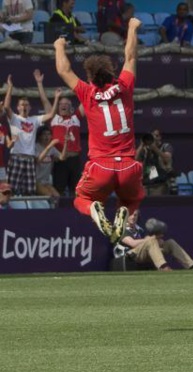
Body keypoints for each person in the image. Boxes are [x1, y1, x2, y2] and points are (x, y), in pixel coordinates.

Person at [54, 18, 144, 244]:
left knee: (81, 198)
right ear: (111, 72)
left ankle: (94, 208)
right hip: (129, 166)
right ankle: (121, 215)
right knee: (131, 200)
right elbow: (131, 56)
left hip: (101, 166)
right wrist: (132, 27)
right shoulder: (124, 86)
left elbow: (64, 70)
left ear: (91, 77)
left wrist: (59, 46)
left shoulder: (87, 93)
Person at [3, 76, 59, 196]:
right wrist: (10, 88)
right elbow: (6, 107)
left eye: (27, 105)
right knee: (11, 189)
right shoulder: (14, 118)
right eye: (22, 105)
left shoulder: (34, 119)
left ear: (30, 107)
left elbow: (51, 114)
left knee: (30, 191)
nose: (24, 107)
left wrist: (57, 98)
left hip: (29, 159)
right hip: (16, 158)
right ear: (18, 107)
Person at [35, 69, 84, 196]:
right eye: (61, 103)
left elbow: (86, 101)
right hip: (59, 160)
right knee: (59, 192)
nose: (63, 105)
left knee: (77, 192)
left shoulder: (76, 117)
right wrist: (39, 83)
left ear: (71, 107)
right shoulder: (54, 118)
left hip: (74, 160)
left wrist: (92, 83)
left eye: (66, 104)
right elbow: (44, 100)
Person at [117, 210, 193, 271]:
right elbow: (132, 243)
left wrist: (158, 241)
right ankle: (163, 267)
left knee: (170, 242)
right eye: (131, 215)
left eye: (135, 215)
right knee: (151, 240)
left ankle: (192, 266)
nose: (133, 217)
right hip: (130, 255)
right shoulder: (121, 229)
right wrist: (151, 239)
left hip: (143, 253)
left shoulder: (139, 230)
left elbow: (148, 243)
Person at [35, 126, 67, 200]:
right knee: (49, 196)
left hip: (46, 181)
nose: (47, 137)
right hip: (36, 181)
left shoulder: (52, 148)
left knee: (57, 197)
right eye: (44, 134)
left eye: (49, 134)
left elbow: (62, 158)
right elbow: (38, 160)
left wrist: (66, 143)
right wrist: (49, 146)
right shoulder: (36, 147)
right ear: (39, 136)